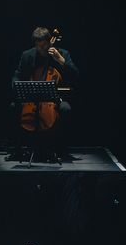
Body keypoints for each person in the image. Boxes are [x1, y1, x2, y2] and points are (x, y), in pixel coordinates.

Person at [11, 26, 79, 163]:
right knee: (13, 107)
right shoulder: (28, 55)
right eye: (38, 46)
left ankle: (59, 148)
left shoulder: (62, 53)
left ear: (49, 42)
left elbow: (75, 75)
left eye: (44, 46)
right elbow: (17, 75)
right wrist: (17, 86)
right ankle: (18, 150)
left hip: (55, 98)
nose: (41, 49)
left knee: (66, 109)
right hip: (31, 98)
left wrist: (60, 60)